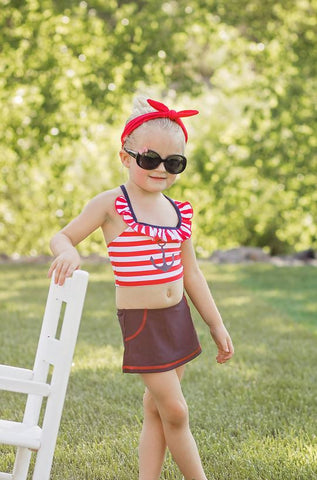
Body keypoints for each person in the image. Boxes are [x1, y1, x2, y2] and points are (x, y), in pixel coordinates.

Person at [48, 96, 234, 480]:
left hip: (178, 318)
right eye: (149, 159)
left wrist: (215, 324)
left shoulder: (177, 211)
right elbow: (62, 236)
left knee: (157, 409)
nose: (160, 170)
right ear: (126, 156)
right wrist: (68, 253)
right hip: (142, 323)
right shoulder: (112, 204)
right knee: (177, 411)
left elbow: (192, 274)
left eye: (174, 162)